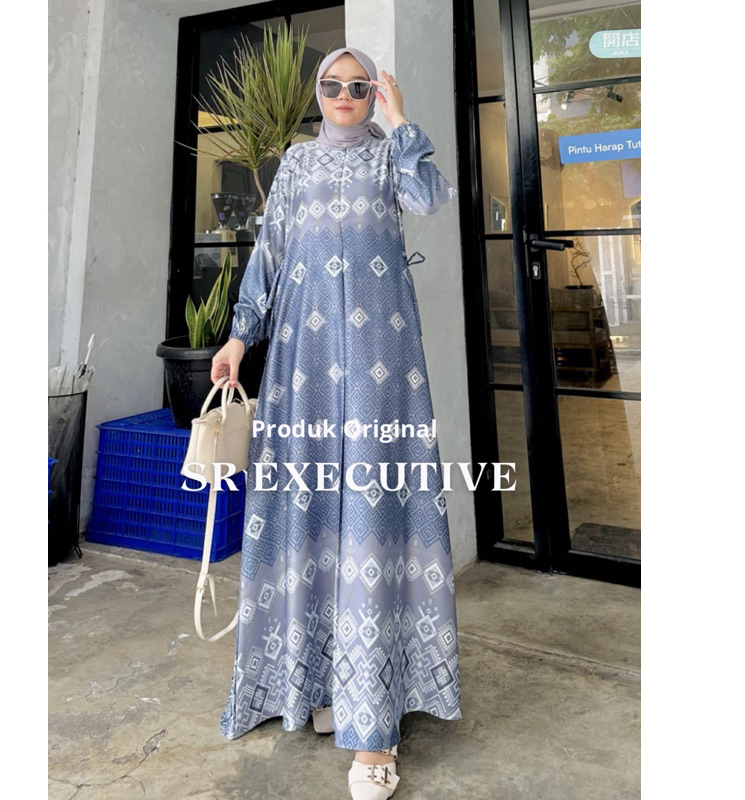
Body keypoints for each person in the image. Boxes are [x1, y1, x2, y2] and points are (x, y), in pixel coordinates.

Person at [211, 46, 462, 799]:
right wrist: (238, 336)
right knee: (313, 509)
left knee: (374, 511)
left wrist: (403, 120)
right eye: (333, 85)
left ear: (374, 93)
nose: (345, 94)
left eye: (359, 85)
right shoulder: (294, 163)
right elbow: (270, 254)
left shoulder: (392, 157)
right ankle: (322, 681)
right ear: (318, 92)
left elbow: (430, 200)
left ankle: (374, 726)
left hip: (382, 358)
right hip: (306, 359)